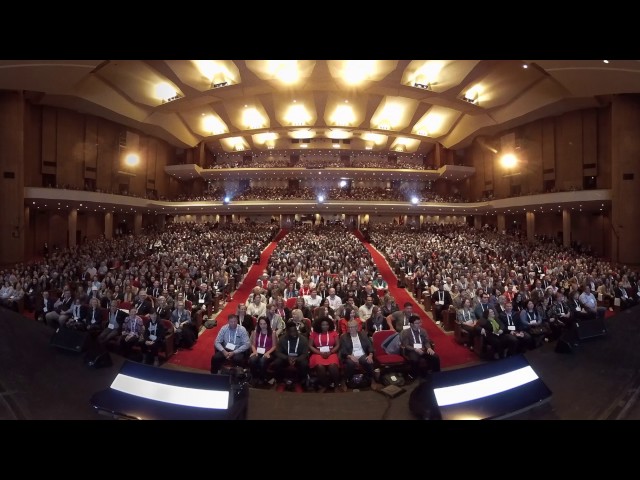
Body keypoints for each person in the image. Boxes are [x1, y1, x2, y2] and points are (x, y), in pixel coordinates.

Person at [339, 319, 381, 390]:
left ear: (356, 327)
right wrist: (350, 356)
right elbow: (342, 350)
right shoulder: (344, 337)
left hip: (362, 354)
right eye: (349, 327)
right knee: (350, 363)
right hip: (350, 355)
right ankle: (345, 380)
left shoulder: (363, 335)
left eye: (352, 327)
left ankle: (372, 379)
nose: (350, 329)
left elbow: (369, 346)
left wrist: (370, 355)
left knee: (367, 361)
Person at [271, 321, 310, 389]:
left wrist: (296, 359)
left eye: (295, 331)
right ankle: (280, 381)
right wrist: (287, 358)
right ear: (287, 331)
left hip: (298, 358)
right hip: (286, 359)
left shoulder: (303, 339)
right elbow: (277, 352)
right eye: (291, 331)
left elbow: (305, 353)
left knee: (304, 363)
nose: (294, 333)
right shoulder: (282, 339)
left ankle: (300, 382)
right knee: (277, 362)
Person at [308, 317, 342, 392]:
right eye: (323, 325)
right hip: (318, 352)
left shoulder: (333, 332)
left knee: (333, 365)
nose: (325, 326)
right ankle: (324, 386)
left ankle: (336, 386)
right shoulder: (314, 333)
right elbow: (310, 345)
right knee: (320, 366)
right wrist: (320, 353)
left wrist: (331, 352)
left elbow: (338, 345)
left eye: (327, 324)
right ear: (319, 325)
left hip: (331, 352)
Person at [248, 317, 277, 386]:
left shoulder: (273, 332)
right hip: (257, 351)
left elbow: (274, 346)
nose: (262, 326)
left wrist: (268, 352)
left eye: (264, 324)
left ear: (268, 324)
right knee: (252, 359)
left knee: (262, 361)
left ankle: (262, 378)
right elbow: (253, 344)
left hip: (269, 352)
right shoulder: (255, 332)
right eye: (261, 324)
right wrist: (254, 351)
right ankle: (255, 377)